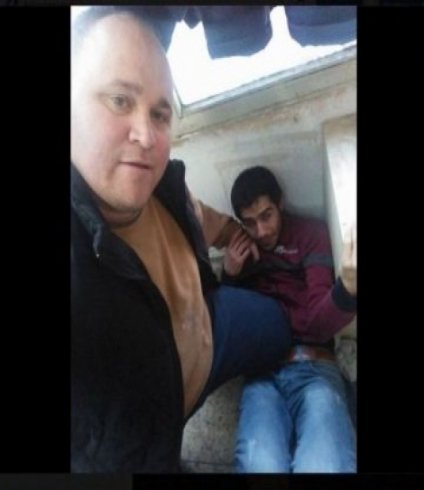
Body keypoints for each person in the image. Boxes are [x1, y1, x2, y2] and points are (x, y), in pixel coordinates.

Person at [71, 7, 291, 473]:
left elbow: (214, 222)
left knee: (280, 326)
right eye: (119, 100)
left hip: (211, 329)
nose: (146, 135)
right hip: (156, 427)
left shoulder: (167, 189)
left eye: (160, 113)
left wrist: (241, 243)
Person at [222, 166, 357, 473]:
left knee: (324, 467)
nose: (261, 231)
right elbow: (234, 325)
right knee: (259, 466)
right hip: (262, 373)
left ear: (280, 202)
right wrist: (229, 276)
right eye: (250, 222)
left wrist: (347, 290)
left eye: (267, 215)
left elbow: (319, 325)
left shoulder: (311, 235)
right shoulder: (243, 250)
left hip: (314, 368)